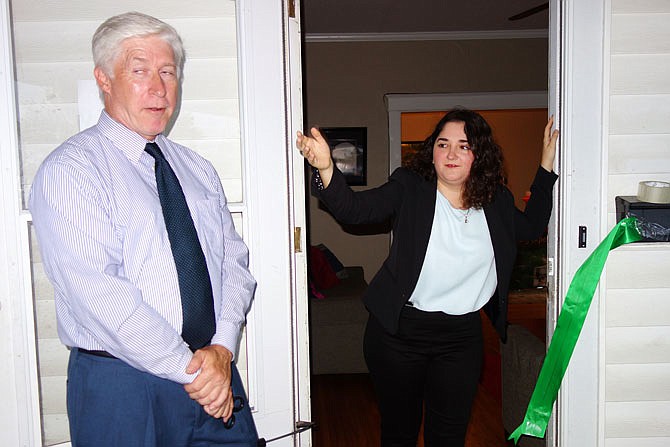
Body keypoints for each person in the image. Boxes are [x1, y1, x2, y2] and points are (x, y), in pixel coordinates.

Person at [29, 12, 258, 446]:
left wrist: (222, 350)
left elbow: (234, 263)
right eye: (139, 71)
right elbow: (100, 294)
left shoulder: (197, 170)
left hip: (213, 371)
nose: (158, 87)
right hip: (124, 386)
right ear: (104, 79)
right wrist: (195, 371)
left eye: (168, 72)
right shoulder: (72, 171)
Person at [297, 108, 559, 447]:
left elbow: (533, 226)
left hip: (461, 337)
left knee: (448, 437)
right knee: (399, 434)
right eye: (443, 143)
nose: (451, 153)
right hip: (398, 335)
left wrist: (545, 167)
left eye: (464, 146)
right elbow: (354, 210)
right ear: (432, 151)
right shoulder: (410, 188)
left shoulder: (495, 201)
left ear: (479, 155)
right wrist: (326, 168)